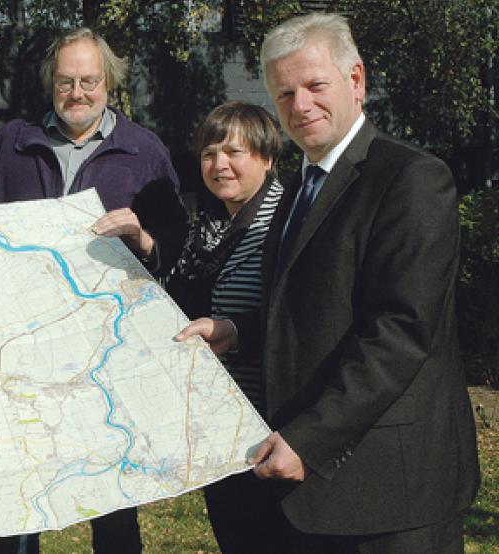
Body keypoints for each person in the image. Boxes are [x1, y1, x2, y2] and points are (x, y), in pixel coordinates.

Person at [177, 12, 479, 553]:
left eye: (315, 86)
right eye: (284, 93)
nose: (300, 106)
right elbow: (306, 305)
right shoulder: (297, 191)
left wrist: (310, 440)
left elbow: (400, 333)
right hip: (315, 496)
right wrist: (235, 330)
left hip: (392, 493)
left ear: (357, 80)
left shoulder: (411, 179)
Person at [0, 26, 188, 554]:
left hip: (106, 355)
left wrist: (143, 237)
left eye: (89, 81)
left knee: (114, 501)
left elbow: (175, 243)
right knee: (15, 493)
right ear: (51, 82)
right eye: (66, 81)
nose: (77, 93)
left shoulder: (144, 151)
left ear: (110, 83)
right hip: (21, 347)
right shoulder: (12, 142)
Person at [160, 101, 285, 552]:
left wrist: (236, 330)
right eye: (210, 153)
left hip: (271, 423)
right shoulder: (207, 227)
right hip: (218, 428)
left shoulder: (283, 223)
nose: (219, 164)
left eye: (235, 151)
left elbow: (295, 317)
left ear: (267, 158)